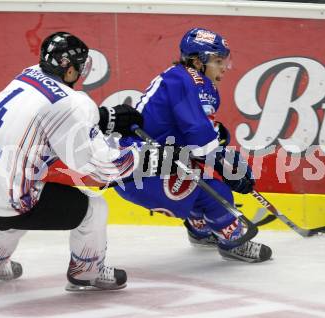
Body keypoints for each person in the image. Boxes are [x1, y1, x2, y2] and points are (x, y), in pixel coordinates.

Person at [0, 31, 143, 291]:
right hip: (5, 202)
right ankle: (86, 272)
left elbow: (44, 114)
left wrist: (102, 117)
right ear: (69, 69)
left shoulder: (28, 73)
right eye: (80, 66)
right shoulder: (73, 103)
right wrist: (142, 156)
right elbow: (99, 168)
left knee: (10, 193)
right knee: (93, 208)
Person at [114, 28, 272, 263]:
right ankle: (233, 241)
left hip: (139, 168)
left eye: (224, 60)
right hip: (141, 173)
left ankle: (200, 231)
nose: (224, 67)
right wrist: (228, 168)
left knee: (202, 173)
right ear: (198, 61)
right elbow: (199, 140)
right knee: (217, 190)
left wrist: (218, 143)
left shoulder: (186, 79)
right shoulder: (188, 80)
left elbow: (192, 133)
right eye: (218, 61)